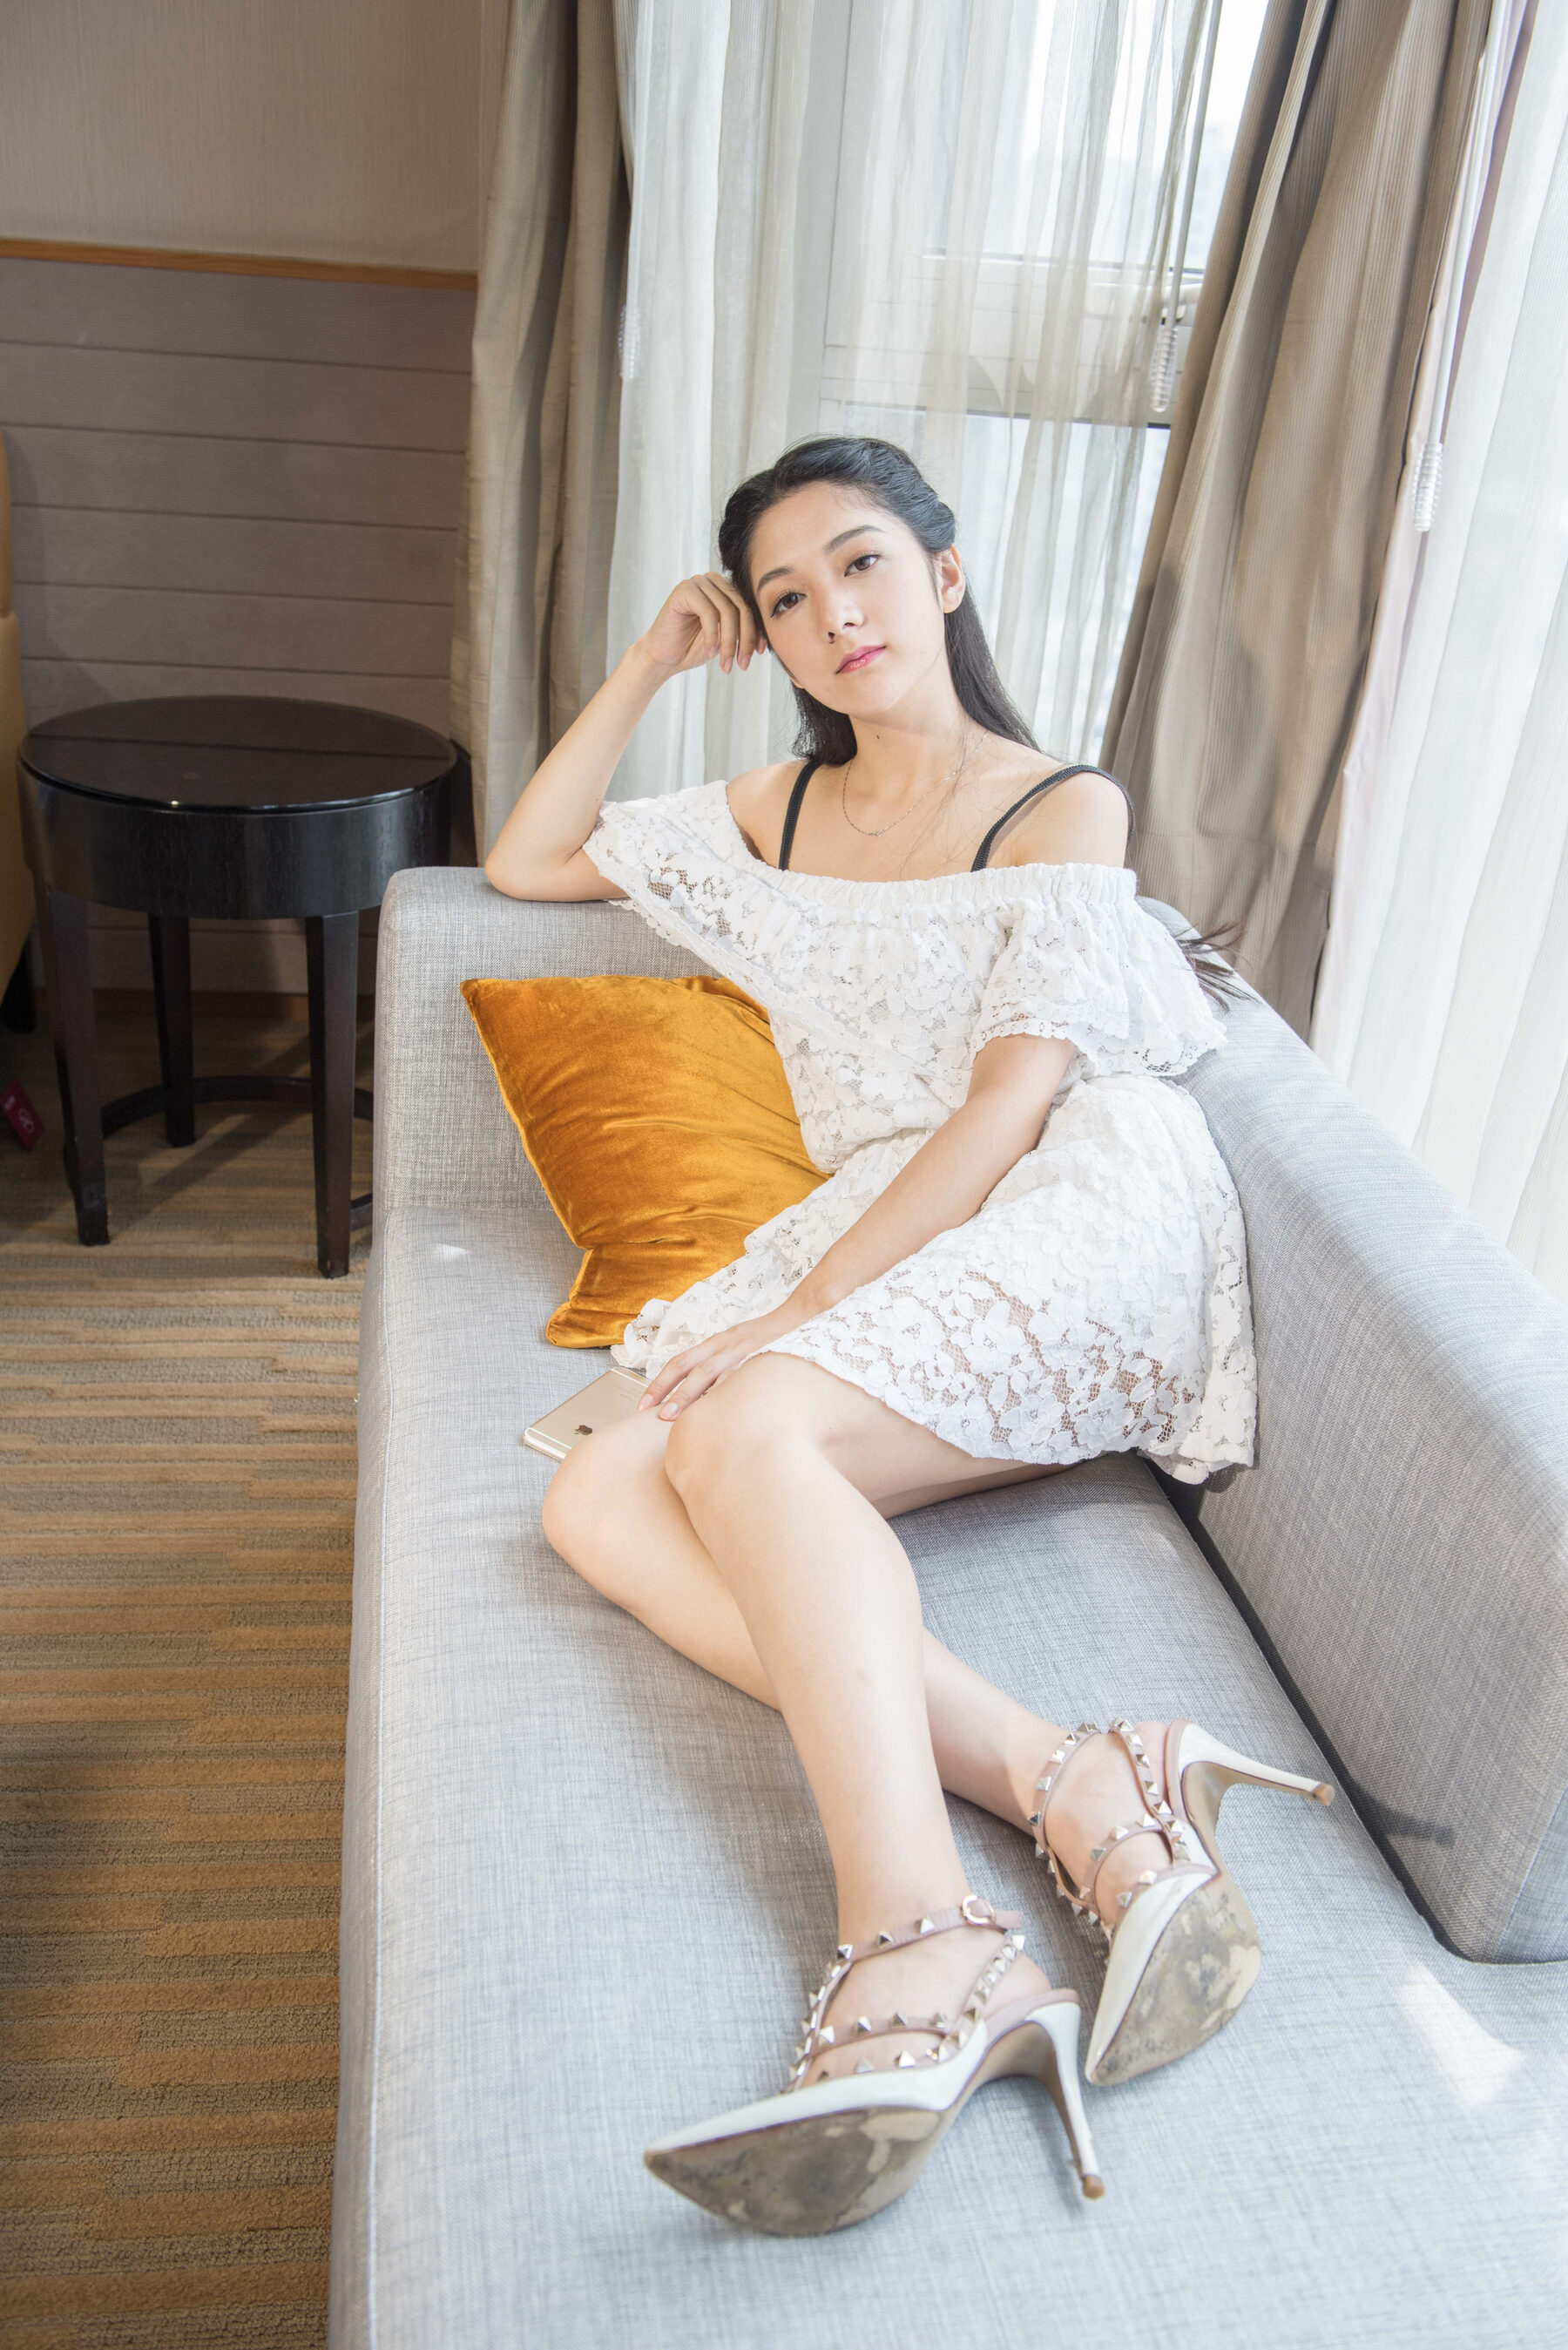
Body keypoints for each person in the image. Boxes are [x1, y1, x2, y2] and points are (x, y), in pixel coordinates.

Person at [483, 436, 1332, 2236]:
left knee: (739, 1429)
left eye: (862, 564)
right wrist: (651, 658)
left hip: (1070, 1197)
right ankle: (1074, 1774)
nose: (832, 615)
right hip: (888, 1209)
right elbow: (526, 853)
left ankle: (921, 1938)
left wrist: (800, 1313)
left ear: (945, 575)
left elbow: (1009, 1105)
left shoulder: (1061, 806)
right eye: (785, 596)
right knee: (592, 1499)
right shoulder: (777, 815)